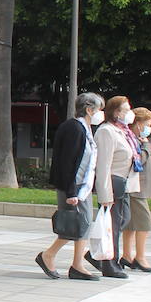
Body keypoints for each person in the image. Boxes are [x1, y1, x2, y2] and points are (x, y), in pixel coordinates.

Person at [36, 92, 105, 282]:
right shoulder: (74, 128)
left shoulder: (85, 128)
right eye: (99, 109)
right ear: (89, 109)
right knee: (73, 225)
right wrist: (71, 191)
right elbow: (67, 162)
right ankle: (48, 255)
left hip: (82, 186)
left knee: (82, 225)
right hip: (72, 186)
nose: (101, 113)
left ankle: (77, 265)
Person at [89, 95, 138, 279]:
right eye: (125, 110)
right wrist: (104, 192)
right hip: (113, 181)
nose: (129, 113)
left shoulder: (123, 131)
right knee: (113, 226)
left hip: (123, 183)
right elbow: (103, 165)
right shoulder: (106, 131)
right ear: (116, 112)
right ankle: (110, 263)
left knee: (123, 220)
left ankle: (101, 256)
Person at [122, 107, 151, 272]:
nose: (148, 127)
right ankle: (140, 256)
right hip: (136, 188)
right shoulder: (134, 140)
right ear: (137, 124)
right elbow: (138, 161)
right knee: (144, 223)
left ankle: (127, 255)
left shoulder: (137, 139)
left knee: (131, 224)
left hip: (138, 187)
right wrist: (148, 148)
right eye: (147, 124)